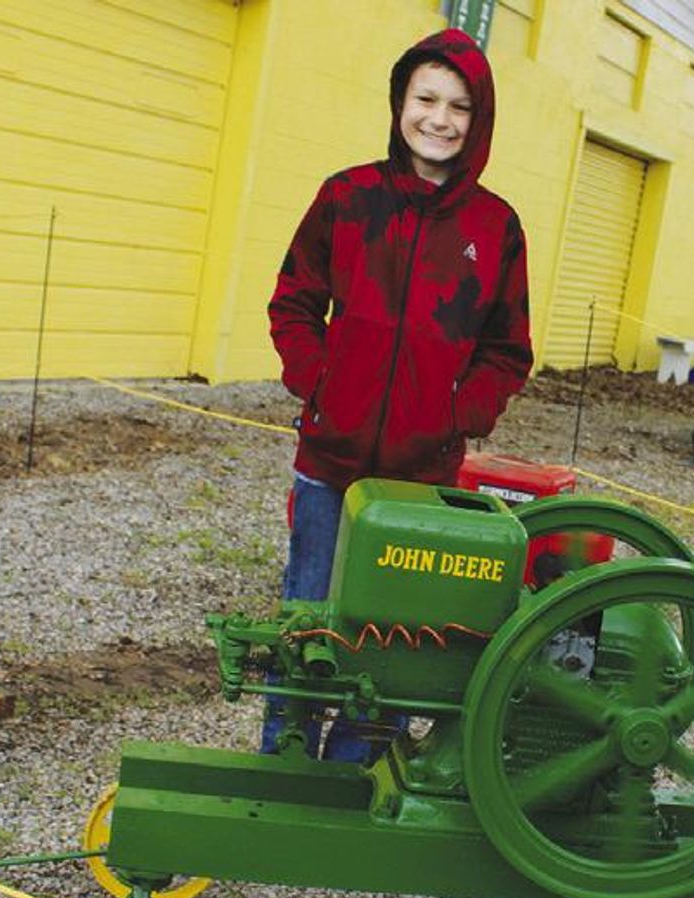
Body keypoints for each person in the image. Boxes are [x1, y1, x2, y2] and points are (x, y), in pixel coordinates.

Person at [261, 27, 533, 760]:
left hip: (420, 477)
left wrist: (456, 416)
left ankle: (355, 770)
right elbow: (294, 302)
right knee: (308, 613)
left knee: (395, 625)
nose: (439, 119)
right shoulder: (347, 197)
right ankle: (284, 762)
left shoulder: (495, 227)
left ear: (480, 121)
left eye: (459, 106)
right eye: (426, 99)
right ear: (399, 102)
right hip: (328, 460)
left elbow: (507, 350)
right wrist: (317, 385)